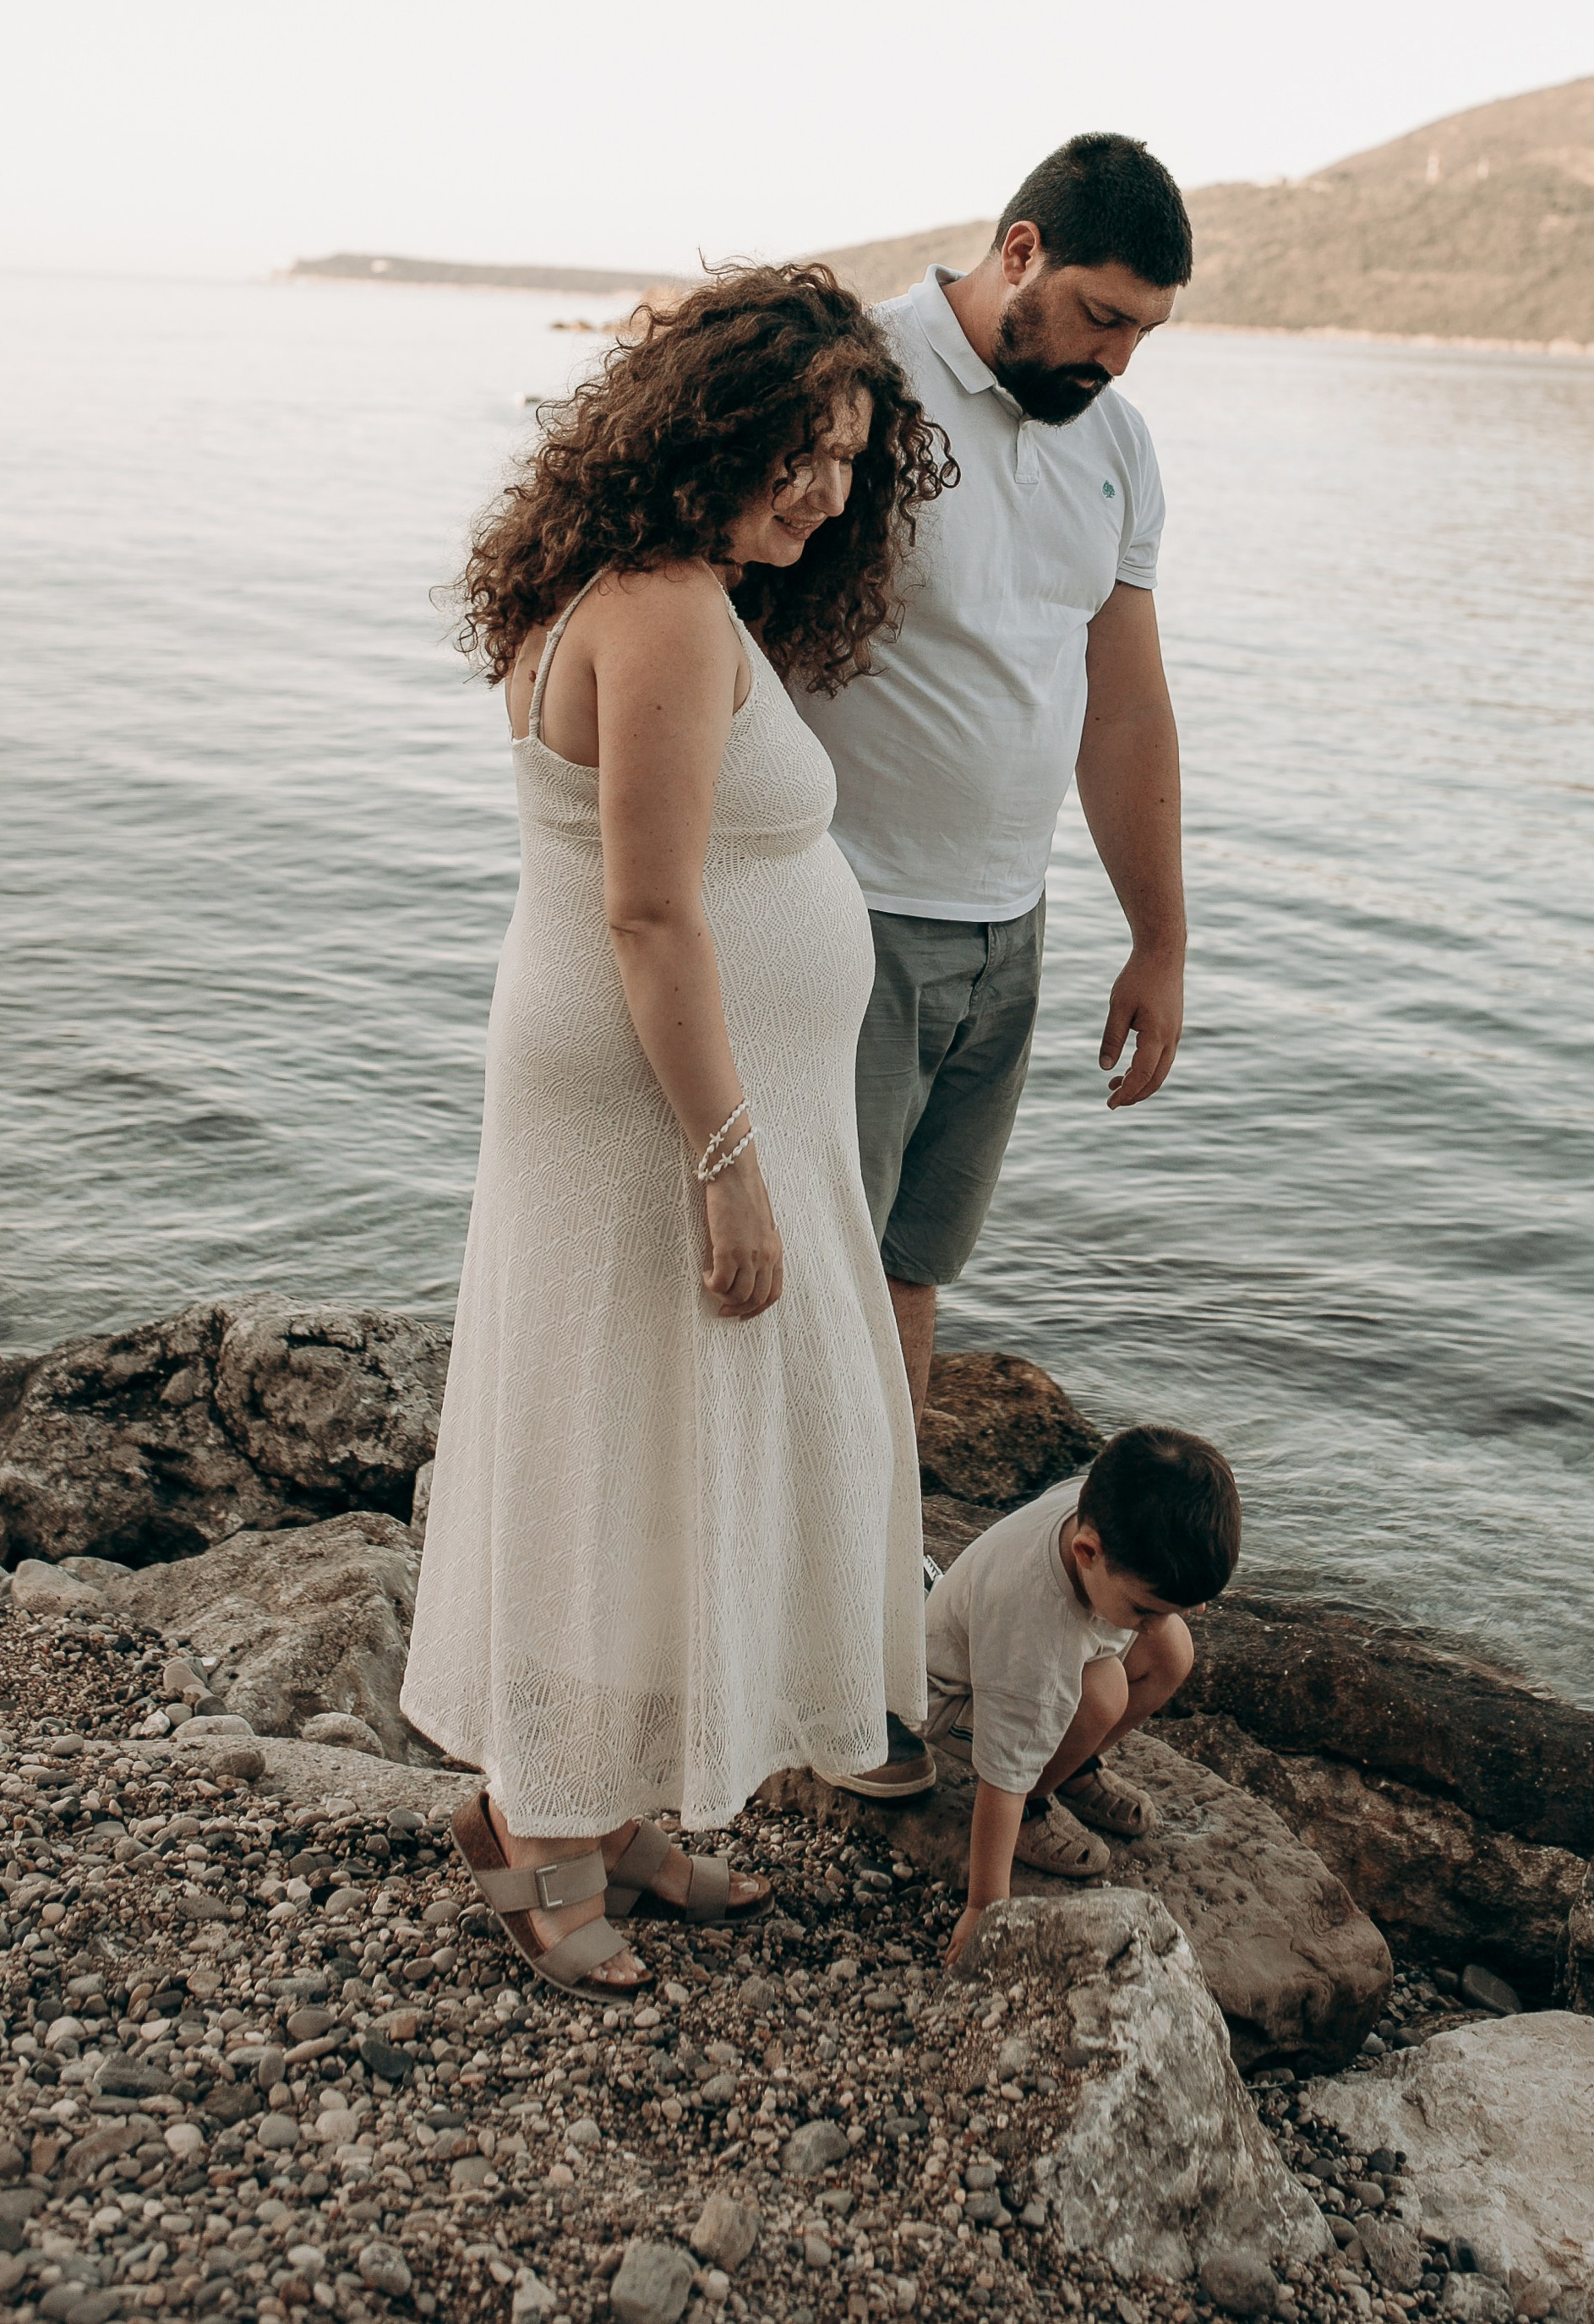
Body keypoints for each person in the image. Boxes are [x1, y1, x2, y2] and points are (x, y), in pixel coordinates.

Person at [400, 265, 953, 1996]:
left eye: (853, 458)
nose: (825, 488)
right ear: (711, 426)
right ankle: (533, 1839)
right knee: (610, 1445)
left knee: (653, 1443)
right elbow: (649, 914)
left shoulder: (673, 591)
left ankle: (612, 1801)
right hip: (653, 1103)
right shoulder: (655, 611)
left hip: (659, 1086)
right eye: (800, 445)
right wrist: (730, 1160)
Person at [794, 133, 1193, 1798]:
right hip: (844, 919)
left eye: (1141, 335)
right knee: (803, 1300)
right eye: (1096, 316)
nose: (1111, 359)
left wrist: (1157, 935)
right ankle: (802, 1669)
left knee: (900, 1285)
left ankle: (865, 1644)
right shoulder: (857, 389)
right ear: (1017, 255)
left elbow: (1120, 706)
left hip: (1000, 934)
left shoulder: (1118, 456)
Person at [922, 1426, 1242, 1961]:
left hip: (1040, 1658)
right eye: (1145, 1607)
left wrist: (1167, 1610)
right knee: (1101, 1694)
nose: (1155, 1619)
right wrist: (985, 1906)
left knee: (1173, 1650)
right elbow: (1004, 1766)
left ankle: (1072, 1769)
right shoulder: (1031, 1623)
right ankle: (1036, 1806)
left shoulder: (1101, 1503)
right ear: (1087, 1552)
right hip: (954, 1692)